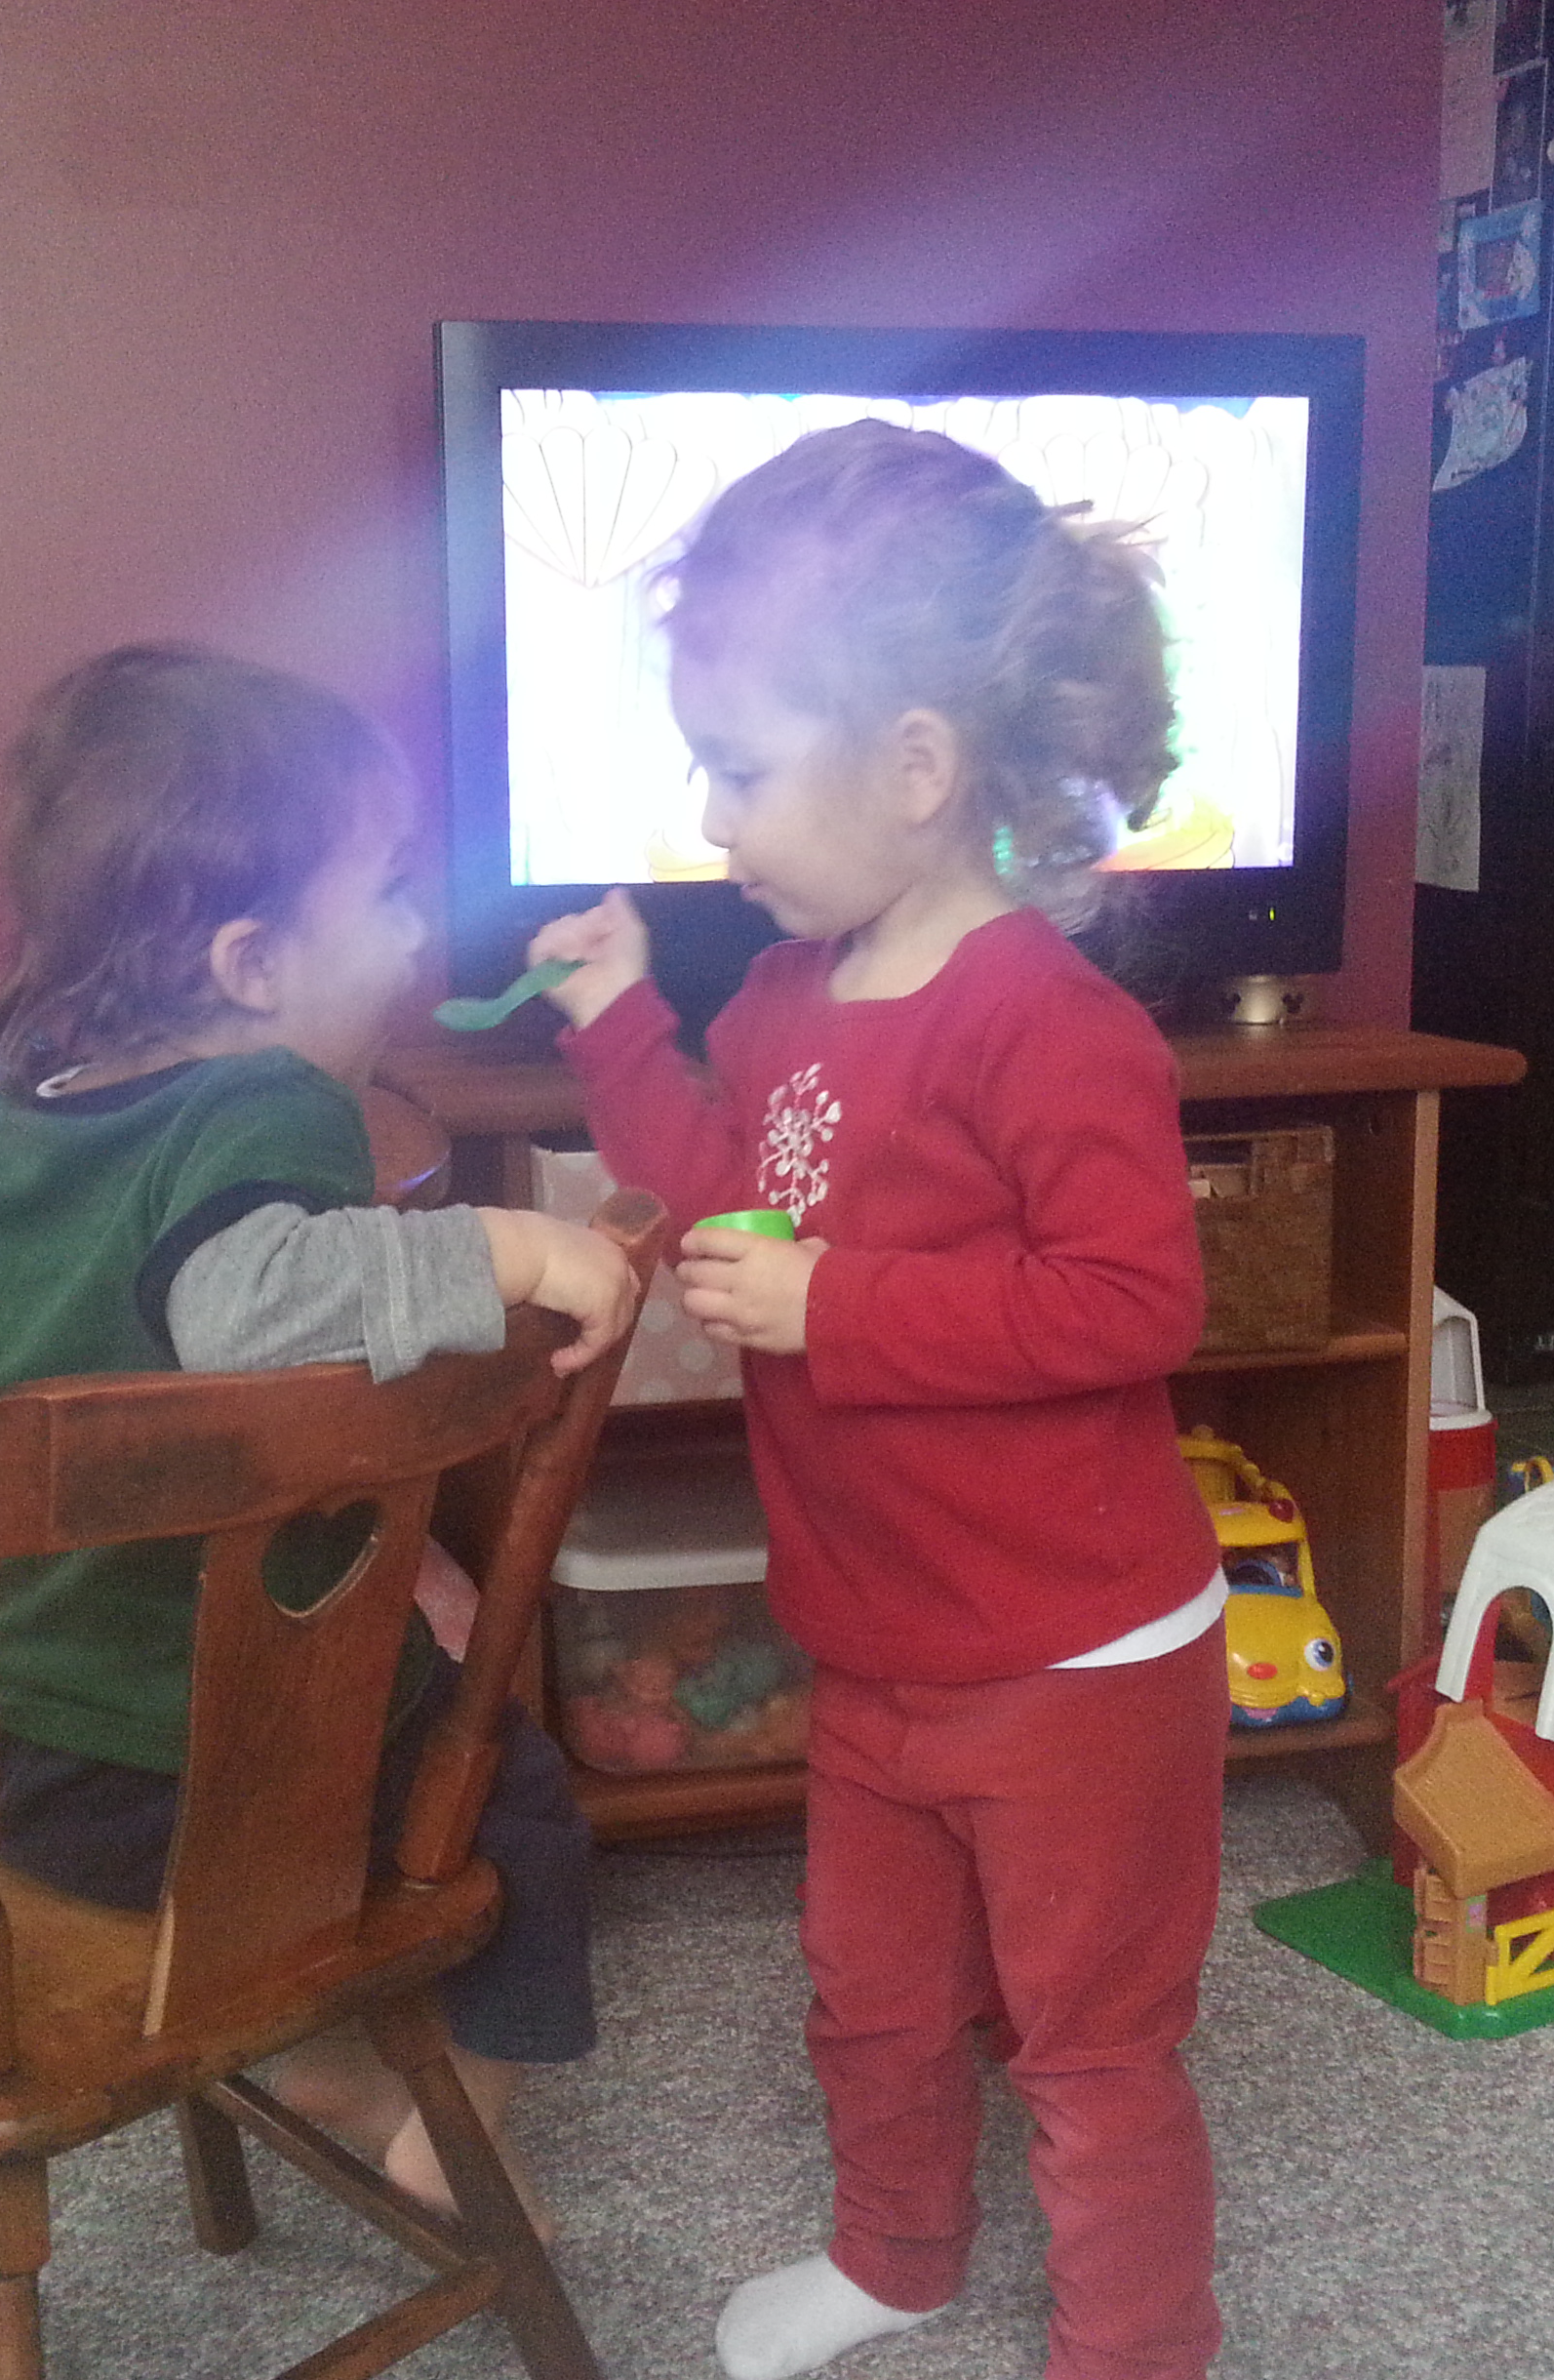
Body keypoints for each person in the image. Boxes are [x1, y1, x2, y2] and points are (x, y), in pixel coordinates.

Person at [530, 421, 1229, 2380]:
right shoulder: (783, 998)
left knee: (1088, 2045)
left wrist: (842, 1304)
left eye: (743, 768)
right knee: (872, 1995)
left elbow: (1133, 1300)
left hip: (1075, 1659)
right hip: (880, 1641)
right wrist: (618, 1027)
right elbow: (716, 1205)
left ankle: (1141, 2351)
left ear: (917, 765)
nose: (714, 818)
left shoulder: (1050, 1023)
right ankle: (897, 2257)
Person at [0, 642, 639, 2227]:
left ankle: (305, 2057)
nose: (414, 932)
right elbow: (243, 1304)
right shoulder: (271, 1103)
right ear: (254, 965)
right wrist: (503, 1247)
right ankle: (441, 2131)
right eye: (387, 892)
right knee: (514, 1803)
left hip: (15, 1772)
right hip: (236, 1770)